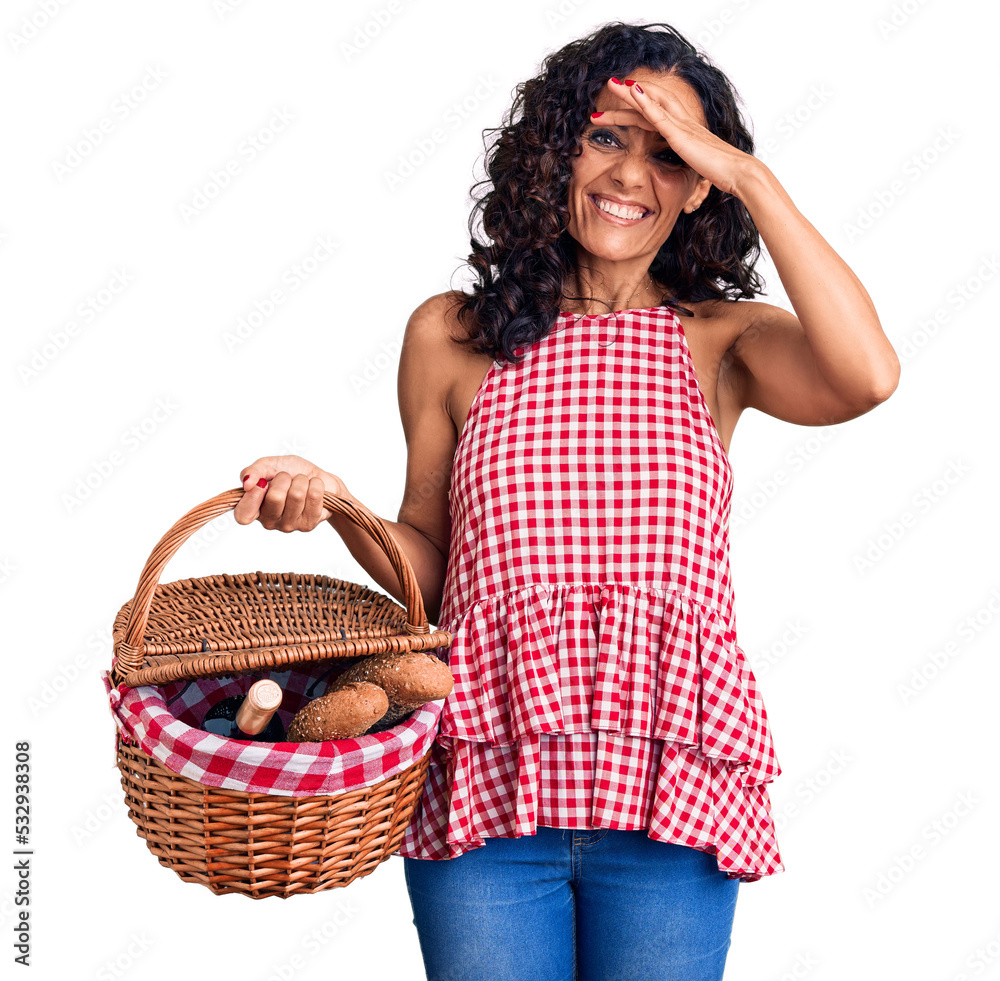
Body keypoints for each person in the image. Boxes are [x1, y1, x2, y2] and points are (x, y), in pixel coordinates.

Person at [235, 20, 899, 981]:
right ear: (556, 147)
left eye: (670, 154)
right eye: (606, 136)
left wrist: (749, 172)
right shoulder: (453, 335)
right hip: (487, 787)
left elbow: (869, 375)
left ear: (703, 181)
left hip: (672, 789)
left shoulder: (720, 343)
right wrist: (339, 509)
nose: (632, 175)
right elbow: (430, 553)